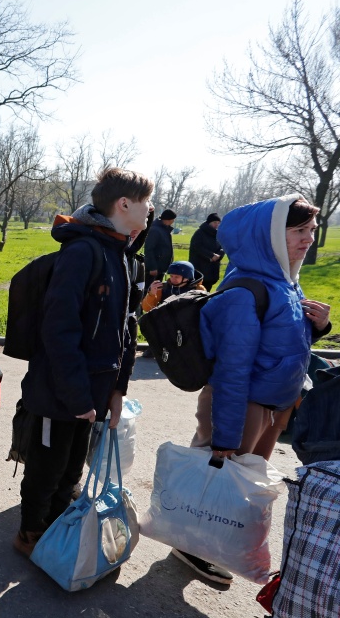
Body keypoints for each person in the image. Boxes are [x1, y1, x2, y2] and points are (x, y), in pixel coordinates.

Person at [185, 196, 332, 586]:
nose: (309, 239)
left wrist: (317, 329)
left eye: (312, 231)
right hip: (241, 407)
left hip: (270, 406)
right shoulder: (245, 291)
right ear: (266, 237)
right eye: (299, 231)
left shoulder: (284, 281)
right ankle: (189, 544)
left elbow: (280, 343)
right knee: (216, 479)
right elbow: (232, 371)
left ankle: (208, 541)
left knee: (238, 487)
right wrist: (227, 436)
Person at [14, 167, 151, 559]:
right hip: (60, 392)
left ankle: (58, 527)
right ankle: (30, 534)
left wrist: (117, 389)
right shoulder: (83, 252)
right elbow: (59, 332)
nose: (151, 209)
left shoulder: (121, 252)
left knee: (72, 466)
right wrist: (76, 396)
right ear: (123, 204)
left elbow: (126, 328)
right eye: (145, 202)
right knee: (47, 468)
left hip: (91, 392)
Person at [140, 260, 205, 312]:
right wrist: (151, 294)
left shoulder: (198, 289)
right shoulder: (163, 287)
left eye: (177, 277)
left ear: (187, 277)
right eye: (171, 276)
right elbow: (147, 308)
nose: (173, 279)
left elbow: (204, 309)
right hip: (167, 322)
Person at [189, 212, 225, 289]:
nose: (217, 225)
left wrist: (219, 255)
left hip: (212, 269)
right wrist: (211, 255)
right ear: (209, 222)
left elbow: (223, 247)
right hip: (200, 268)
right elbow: (197, 247)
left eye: (218, 223)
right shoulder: (200, 233)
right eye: (214, 222)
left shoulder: (218, 234)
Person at [144, 208, 176, 289]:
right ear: (168, 220)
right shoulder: (155, 230)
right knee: (150, 288)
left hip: (161, 266)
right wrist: (152, 267)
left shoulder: (164, 229)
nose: (173, 221)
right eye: (173, 219)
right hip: (155, 267)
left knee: (157, 288)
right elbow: (149, 249)